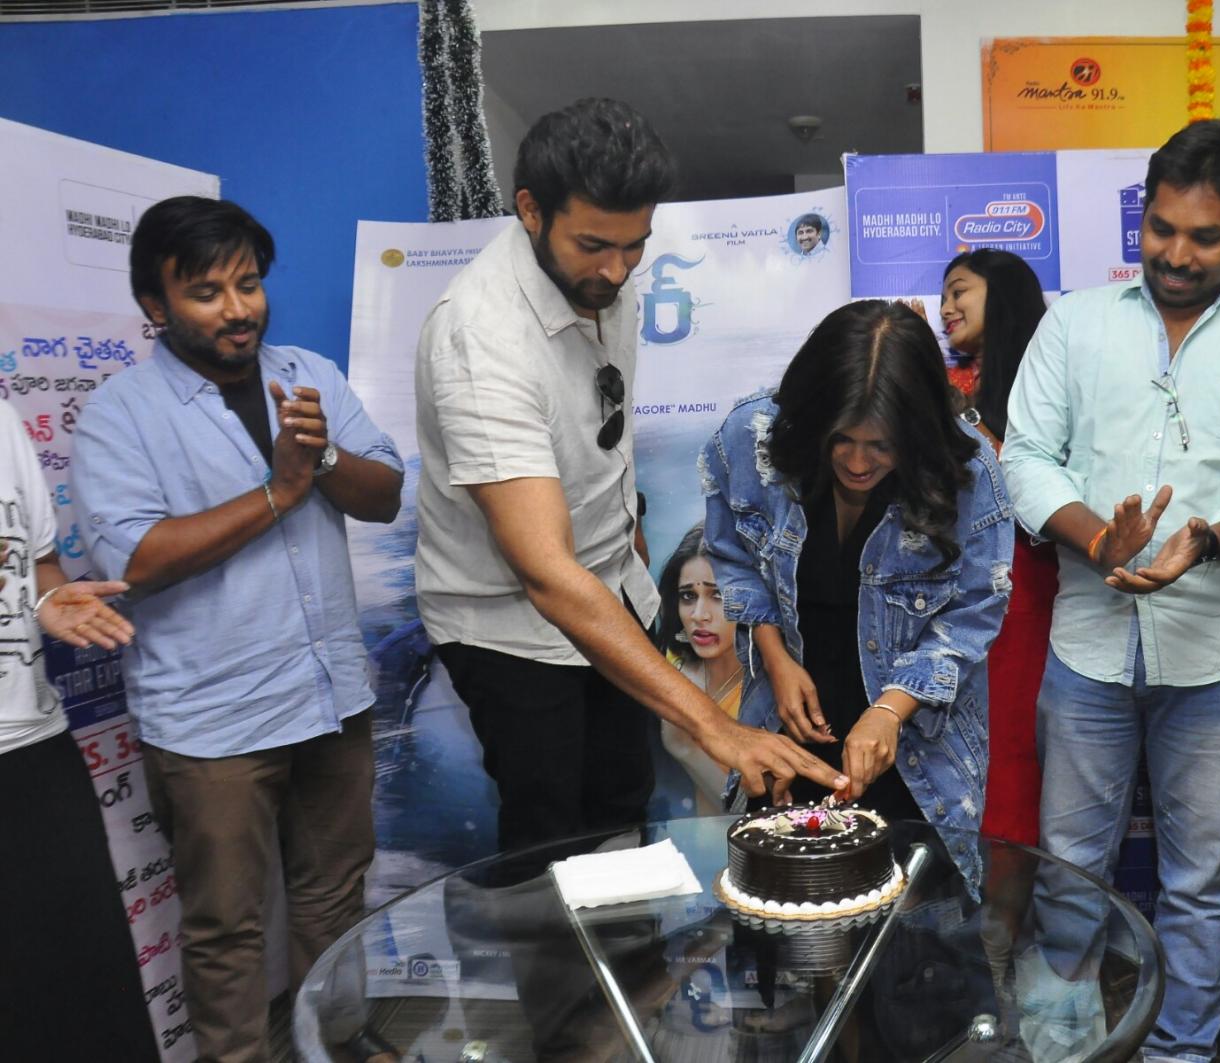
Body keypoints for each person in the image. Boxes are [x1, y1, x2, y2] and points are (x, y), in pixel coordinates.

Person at [415, 98, 845, 859]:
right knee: (550, 834)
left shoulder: (607, 283)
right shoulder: (481, 338)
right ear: (530, 210)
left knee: (621, 799)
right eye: (592, 245)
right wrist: (715, 724)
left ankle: (626, 941)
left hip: (613, 588)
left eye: (634, 246)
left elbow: (599, 430)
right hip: (510, 626)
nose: (616, 271)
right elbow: (546, 574)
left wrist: (632, 535)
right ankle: (548, 943)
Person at [1001, 119, 1220, 1062]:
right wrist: (1096, 537)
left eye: (1206, 237)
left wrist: (1208, 540)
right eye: (1162, 229)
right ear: (1141, 217)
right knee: (1068, 873)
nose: (1177, 255)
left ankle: (1180, 1050)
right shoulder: (1075, 322)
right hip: (1087, 648)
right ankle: (1061, 1047)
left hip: (1218, 652)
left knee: (1202, 883)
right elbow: (1027, 457)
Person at [72, 196, 405, 1063]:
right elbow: (136, 557)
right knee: (226, 927)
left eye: (248, 284)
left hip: (330, 697)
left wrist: (322, 459)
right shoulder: (119, 413)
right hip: (211, 722)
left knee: (334, 897)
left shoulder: (308, 375)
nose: (238, 308)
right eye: (206, 292)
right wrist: (279, 491)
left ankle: (332, 1047)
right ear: (155, 304)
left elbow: (385, 493)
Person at [699, 299, 1012, 889]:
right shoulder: (752, 438)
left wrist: (890, 710)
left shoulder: (968, 469)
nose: (859, 462)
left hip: (916, 748)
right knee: (785, 909)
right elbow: (734, 557)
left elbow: (975, 610)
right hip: (786, 730)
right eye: (840, 440)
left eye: (883, 445)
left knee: (916, 925)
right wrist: (775, 657)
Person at [0, 404, 157, 1062]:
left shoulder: (3, 420)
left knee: (85, 1008)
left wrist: (46, 599)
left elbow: (37, 564)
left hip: (34, 748)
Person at [938, 249, 1051, 845]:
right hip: (943, 596)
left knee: (1010, 751)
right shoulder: (944, 384)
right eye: (943, 296)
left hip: (1024, 590)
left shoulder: (1048, 382)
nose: (946, 307)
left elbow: (1035, 493)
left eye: (959, 291)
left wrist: (965, 419)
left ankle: (1009, 896)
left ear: (1002, 294)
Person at [655, 524, 742, 814]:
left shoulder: (770, 691)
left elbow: (758, 814)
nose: (699, 615)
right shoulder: (671, 666)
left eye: (718, 596)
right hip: (678, 836)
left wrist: (684, 746)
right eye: (688, 596)